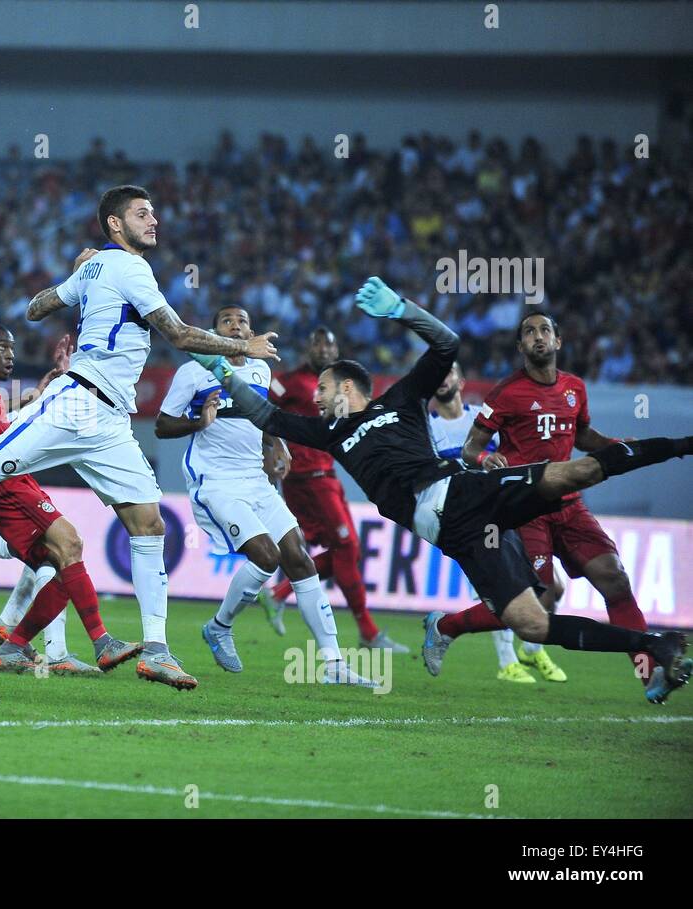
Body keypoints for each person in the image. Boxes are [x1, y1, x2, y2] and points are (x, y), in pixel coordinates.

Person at [0, 186, 278, 690]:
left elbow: (37, 308)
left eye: (155, 212)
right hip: (78, 402)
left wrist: (79, 276)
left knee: (149, 525)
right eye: (142, 214)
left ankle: (158, 651)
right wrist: (244, 345)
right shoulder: (130, 269)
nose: (154, 220)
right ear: (115, 226)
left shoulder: (99, 268)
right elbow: (180, 334)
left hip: (112, 422)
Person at [191, 276, 692, 705]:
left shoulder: (401, 399)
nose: (315, 398)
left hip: (463, 493)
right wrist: (223, 370)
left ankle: (679, 446)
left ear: (346, 387)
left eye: (321, 389)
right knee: (531, 624)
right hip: (458, 535)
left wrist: (401, 310)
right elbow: (268, 415)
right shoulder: (331, 435)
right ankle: (651, 643)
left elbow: (447, 344)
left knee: (577, 472)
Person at [0, 291, 142, 676]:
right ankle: (88, 644)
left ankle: (16, 642)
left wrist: (47, 386)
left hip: (5, 478)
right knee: (65, 546)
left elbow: (4, 423)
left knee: (58, 562)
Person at [156, 305, 374, 685]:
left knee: (299, 559)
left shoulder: (261, 370)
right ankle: (220, 626)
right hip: (216, 481)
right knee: (267, 557)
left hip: (255, 480)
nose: (236, 325)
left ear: (251, 331)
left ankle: (335, 664)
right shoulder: (193, 372)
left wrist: (278, 446)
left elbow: (263, 415)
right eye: (227, 321)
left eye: (242, 320)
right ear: (215, 330)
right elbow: (161, 425)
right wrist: (198, 421)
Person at [459, 313, 656, 691]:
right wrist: (486, 459)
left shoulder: (574, 388)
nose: (538, 337)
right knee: (540, 601)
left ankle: (650, 672)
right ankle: (447, 626)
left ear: (558, 341)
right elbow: (471, 448)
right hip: (526, 507)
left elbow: (583, 437)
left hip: (568, 504)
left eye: (544, 330)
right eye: (529, 332)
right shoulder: (505, 393)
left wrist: (619, 447)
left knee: (614, 578)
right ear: (520, 347)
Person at [264, 327, 405, 653]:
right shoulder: (289, 382)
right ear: (308, 348)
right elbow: (265, 413)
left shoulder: (343, 385)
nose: (324, 349)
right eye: (317, 343)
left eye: (330, 344)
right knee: (346, 547)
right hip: (307, 479)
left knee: (345, 550)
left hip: (327, 473)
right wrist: (273, 449)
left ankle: (278, 594)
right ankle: (368, 633)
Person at [428, 361, 567, 684]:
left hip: (508, 508)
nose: (442, 378)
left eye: (448, 371)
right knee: (498, 591)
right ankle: (507, 662)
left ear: (462, 380)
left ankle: (530, 649)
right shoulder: (428, 429)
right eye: (437, 373)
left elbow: (514, 452)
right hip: (469, 520)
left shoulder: (483, 418)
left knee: (552, 586)